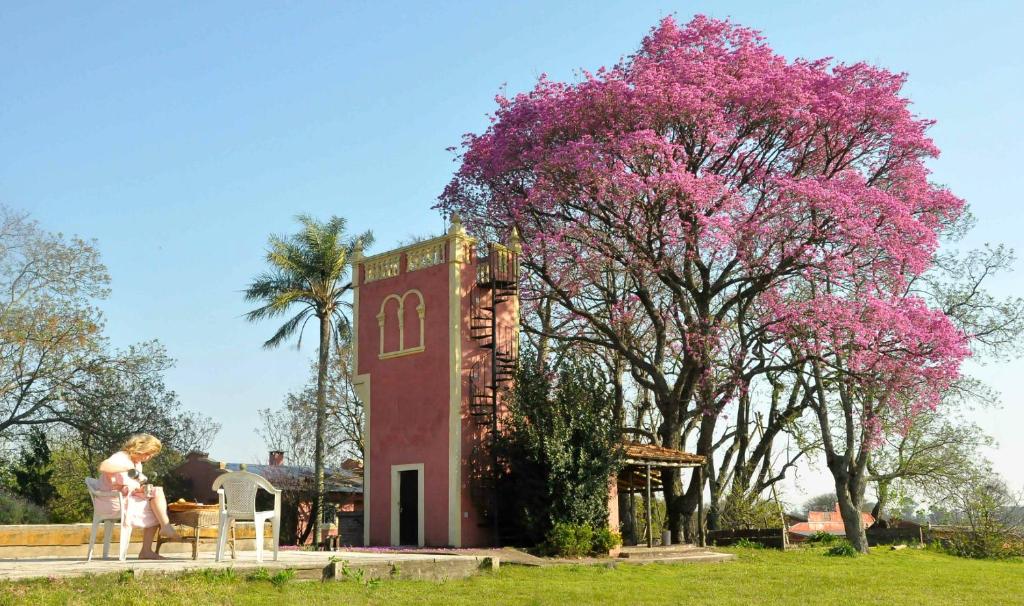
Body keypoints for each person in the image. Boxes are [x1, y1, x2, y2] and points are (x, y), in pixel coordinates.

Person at [97, 433, 180, 559]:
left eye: (151, 455)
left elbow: (128, 484)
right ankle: (159, 534)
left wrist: (142, 489)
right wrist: (127, 467)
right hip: (112, 501)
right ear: (140, 447)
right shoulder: (122, 457)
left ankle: (159, 533)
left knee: (156, 493)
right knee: (156, 509)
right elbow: (103, 467)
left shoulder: (138, 464)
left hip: (124, 498)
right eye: (148, 453)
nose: (148, 457)